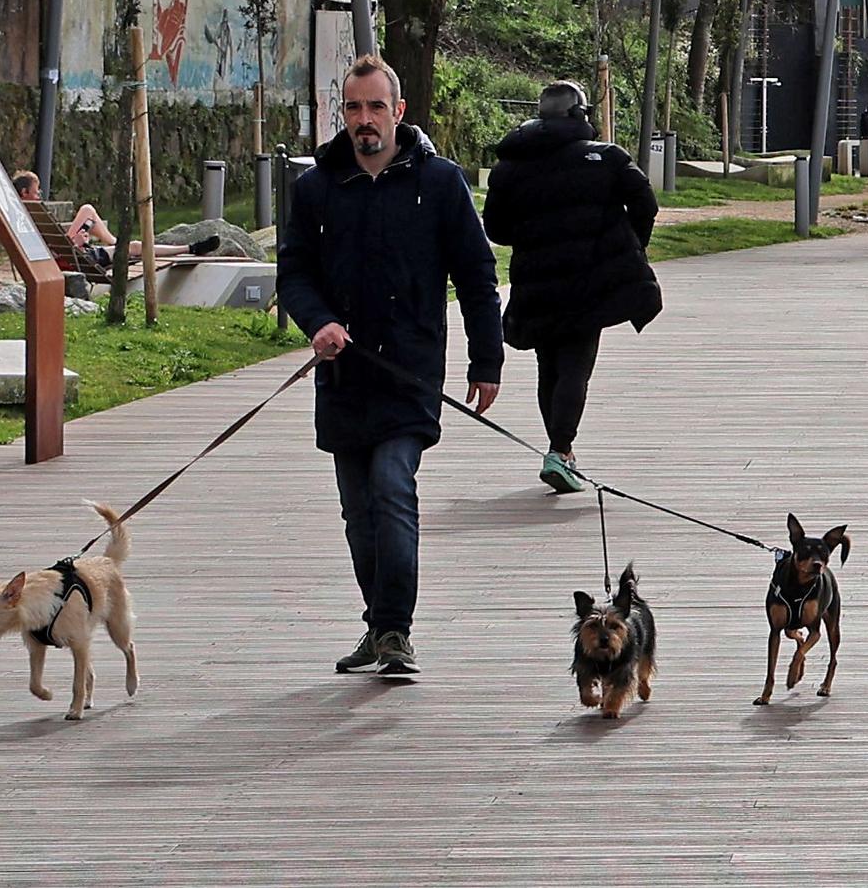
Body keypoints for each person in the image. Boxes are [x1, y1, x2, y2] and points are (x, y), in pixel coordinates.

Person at [277, 54, 502, 677]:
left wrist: (488, 359)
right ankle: (378, 624)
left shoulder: (441, 182)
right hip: (344, 377)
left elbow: (478, 277)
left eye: (377, 106)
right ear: (341, 114)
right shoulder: (316, 187)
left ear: (399, 112)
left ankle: (396, 630)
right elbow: (293, 272)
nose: (365, 119)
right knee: (358, 512)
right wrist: (317, 321)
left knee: (391, 488)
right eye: (354, 107)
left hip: (409, 373)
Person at [483, 81, 661, 494]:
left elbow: (496, 228)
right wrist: (628, 246)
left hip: (536, 283)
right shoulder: (607, 160)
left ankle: (560, 452)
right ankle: (560, 451)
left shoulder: (511, 166)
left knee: (550, 366)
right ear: (580, 115)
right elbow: (645, 204)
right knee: (576, 366)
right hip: (589, 282)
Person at [10, 170, 212, 265]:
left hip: (73, 252)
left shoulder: (25, 217)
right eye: (36, 192)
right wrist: (74, 243)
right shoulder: (28, 219)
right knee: (128, 244)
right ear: (24, 193)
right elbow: (46, 255)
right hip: (73, 258)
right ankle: (190, 248)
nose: (39, 196)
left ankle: (191, 248)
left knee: (94, 217)